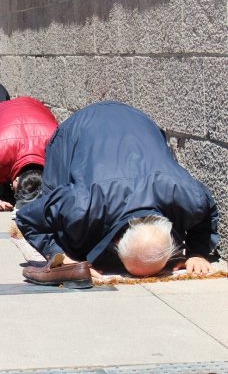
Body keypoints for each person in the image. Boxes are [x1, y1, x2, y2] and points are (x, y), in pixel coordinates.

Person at [16, 101, 218, 283]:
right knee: (65, 232)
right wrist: (61, 257)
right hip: (77, 130)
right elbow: (28, 217)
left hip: (140, 122)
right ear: (117, 241)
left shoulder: (185, 195)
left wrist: (197, 253)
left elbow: (206, 210)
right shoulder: (82, 202)